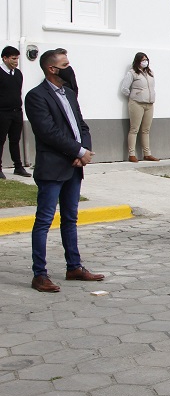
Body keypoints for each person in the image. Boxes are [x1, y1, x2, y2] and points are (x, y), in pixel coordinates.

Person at [24, 49, 104, 292]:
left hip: (73, 168)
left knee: (70, 218)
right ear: (52, 69)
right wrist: (78, 152)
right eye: (65, 65)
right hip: (52, 168)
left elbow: (81, 126)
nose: (70, 68)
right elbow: (48, 132)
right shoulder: (36, 96)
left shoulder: (69, 93)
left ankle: (74, 267)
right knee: (44, 221)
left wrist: (84, 151)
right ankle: (40, 274)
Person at [119, 52, 158, 163]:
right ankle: (131, 154)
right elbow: (124, 88)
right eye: (142, 60)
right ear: (138, 61)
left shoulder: (150, 72)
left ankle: (147, 154)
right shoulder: (132, 73)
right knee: (134, 129)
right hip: (137, 103)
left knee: (146, 130)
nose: (145, 62)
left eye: (146, 59)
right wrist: (134, 95)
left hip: (149, 104)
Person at [0, 46, 31, 178]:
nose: (16, 61)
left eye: (17, 58)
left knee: (15, 140)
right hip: (3, 113)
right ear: (5, 58)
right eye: (13, 58)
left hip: (17, 112)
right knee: (1, 140)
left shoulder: (18, 74)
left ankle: (18, 166)